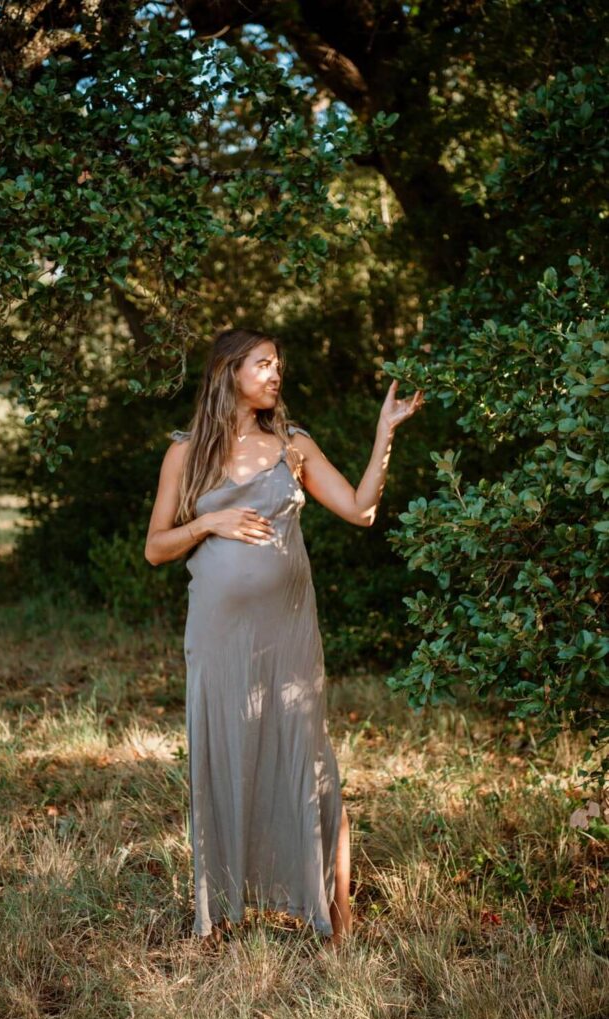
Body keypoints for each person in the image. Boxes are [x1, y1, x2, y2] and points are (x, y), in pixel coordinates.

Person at [145, 328, 424, 953]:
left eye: (279, 365)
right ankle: (223, 915)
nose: (276, 375)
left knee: (309, 760)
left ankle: (337, 923)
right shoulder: (184, 455)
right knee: (227, 758)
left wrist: (385, 436)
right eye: (264, 364)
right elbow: (155, 547)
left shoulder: (291, 446)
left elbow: (360, 510)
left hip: (288, 634)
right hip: (218, 639)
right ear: (228, 372)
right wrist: (208, 521)